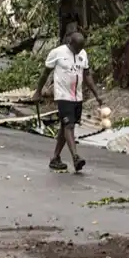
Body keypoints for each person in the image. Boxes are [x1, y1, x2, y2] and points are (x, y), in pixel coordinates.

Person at [32, 32, 102, 173]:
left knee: (66, 127)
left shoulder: (83, 54)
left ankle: (55, 158)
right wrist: (38, 91)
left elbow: (87, 75)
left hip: (77, 97)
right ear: (70, 42)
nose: (78, 51)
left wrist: (97, 94)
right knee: (69, 125)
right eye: (76, 48)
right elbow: (45, 73)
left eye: (80, 48)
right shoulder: (57, 53)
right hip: (63, 96)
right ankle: (75, 157)